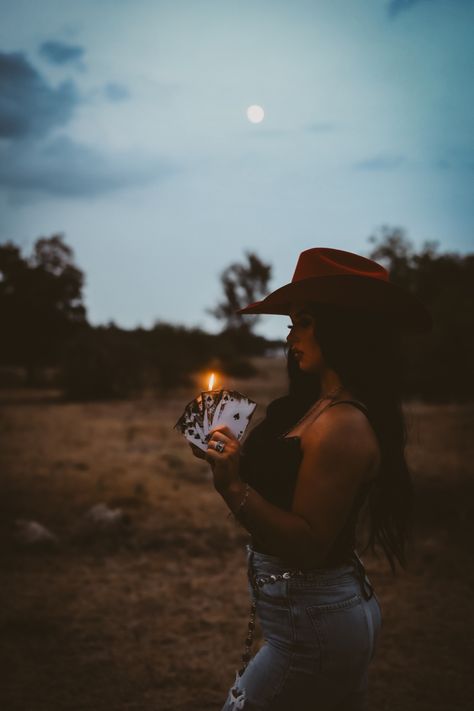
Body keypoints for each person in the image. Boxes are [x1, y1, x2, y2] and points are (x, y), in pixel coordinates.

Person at [190, 247, 432, 710]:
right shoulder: (311, 406)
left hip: (315, 628)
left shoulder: (344, 424)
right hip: (309, 619)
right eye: (290, 323)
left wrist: (233, 488)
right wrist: (226, 458)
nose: (289, 335)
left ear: (341, 326)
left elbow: (309, 543)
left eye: (302, 321)